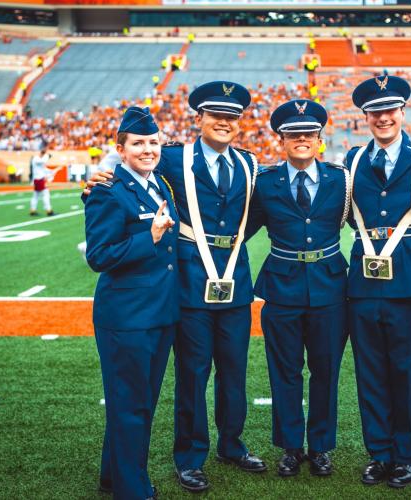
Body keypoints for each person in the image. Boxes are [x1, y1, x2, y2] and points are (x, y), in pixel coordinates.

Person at [86, 81, 267, 493]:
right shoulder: (170, 158)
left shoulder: (250, 164)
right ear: (198, 119)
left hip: (234, 279)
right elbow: (131, 172)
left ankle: (232, 444)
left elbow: (258, 209)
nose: (223, 122)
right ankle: (189, 456)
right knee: (192, 374)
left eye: (231, 116)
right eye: (215, 115)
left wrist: (228, 242)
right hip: (187, 283)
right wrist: (100, 178)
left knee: (234, 371)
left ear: (238, 122)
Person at [344, 75, 411, 489]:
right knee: (370, 371)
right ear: (365, 116)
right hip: (364, 281)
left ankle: (407, 453)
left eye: (390, 109)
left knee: (408, 370)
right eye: (375, 111)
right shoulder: (352, 159)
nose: (383, 117)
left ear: (403, 112)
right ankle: (380, 453)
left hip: (410, 276)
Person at [246, 99, 349, 478]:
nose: (301, 139)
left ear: (320, 139)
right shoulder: (264, 182)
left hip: (331, 289)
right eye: (293, 134)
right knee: (284, 372)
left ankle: (320, 447)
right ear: (282, 140)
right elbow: (237, 223)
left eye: (309, 133)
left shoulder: (342, 179)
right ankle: (291, 447)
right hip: (282, 287)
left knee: (325, 372)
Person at [84, 106, 179, 499]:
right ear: (119, 149)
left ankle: (112, 474)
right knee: (131, 406)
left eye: (153, 143)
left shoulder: (160, 184)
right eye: (138, 143)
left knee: (139, 402)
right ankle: (131, 488)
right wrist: (150, 238)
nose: (147, 150)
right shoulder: (107, 188)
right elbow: (99, 255)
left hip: (158, 313)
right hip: (126, 318)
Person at [30, 147, 55, 216]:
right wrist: (48, 156)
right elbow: (43, 161)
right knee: (46, 194)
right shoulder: (36, 158)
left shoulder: (39, 159)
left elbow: (43, 168)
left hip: (38, 179)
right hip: (39, 179)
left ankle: (33, 210)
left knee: (35, 195)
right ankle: (49, 210)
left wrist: (51, 171)